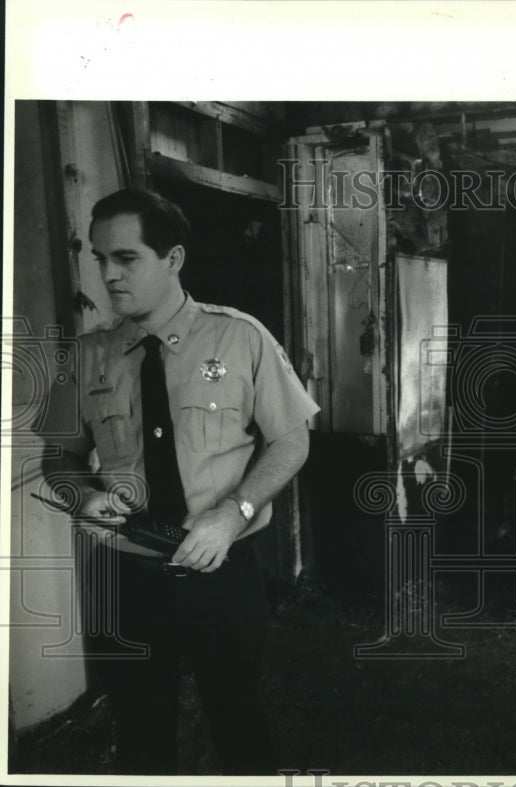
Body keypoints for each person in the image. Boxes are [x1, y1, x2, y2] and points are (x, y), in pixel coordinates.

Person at [39, 189, 319, 774]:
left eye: (127, 258)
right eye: (100, 259)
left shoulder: (240, 339)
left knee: (238, 726)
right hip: (126, 579)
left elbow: (293, 440)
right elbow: (59, 459)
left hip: (221, 572)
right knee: (141, 738)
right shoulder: (87, 357)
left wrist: (233, 511)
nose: (109, 275)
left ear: (173, 259)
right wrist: (82, 495)